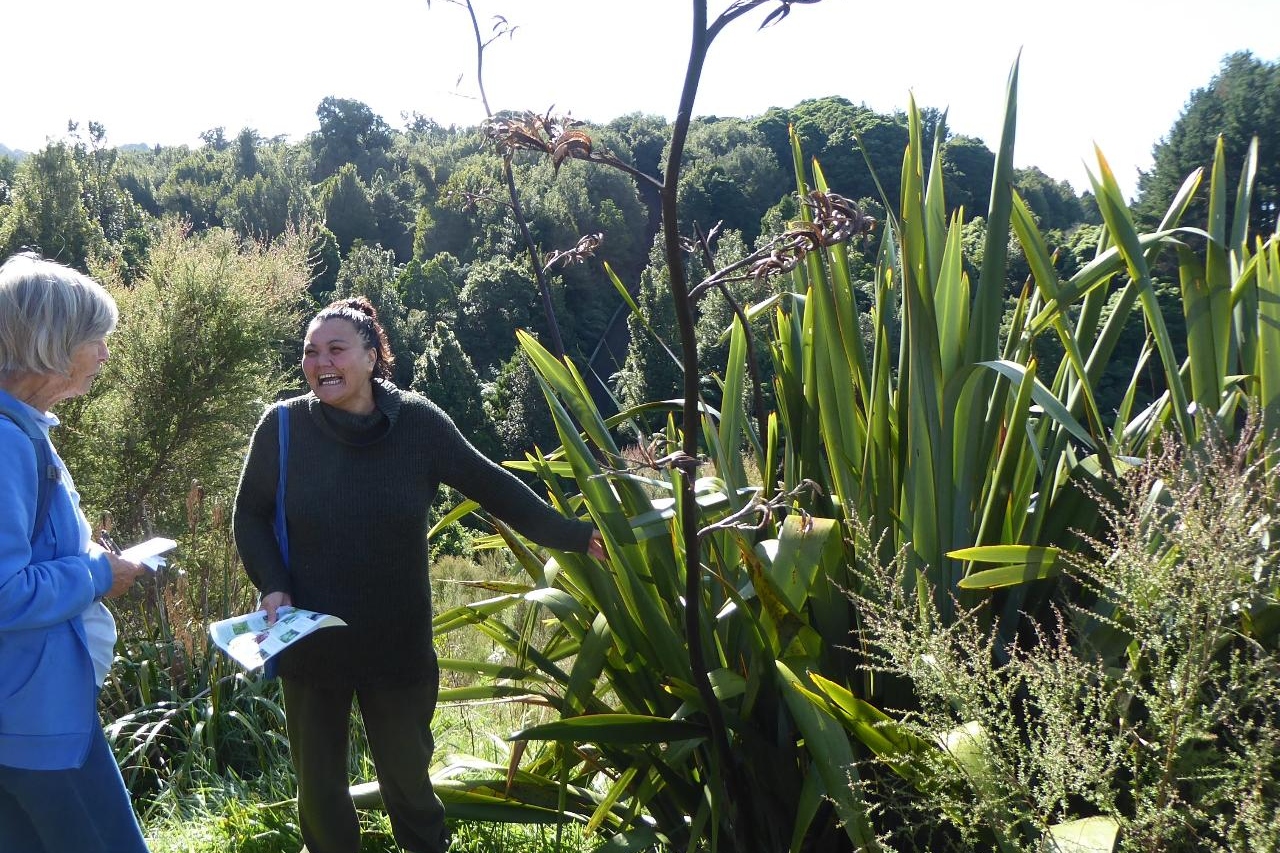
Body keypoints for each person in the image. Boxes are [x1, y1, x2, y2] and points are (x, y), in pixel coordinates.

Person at [233, 296, 605, 853]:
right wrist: (273, 583)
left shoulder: (419, 425)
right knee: (321, 793)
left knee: (409, 787)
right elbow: (250, 514)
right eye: (310, 351)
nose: (320, 362)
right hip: (308, 643)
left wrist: (578, 535)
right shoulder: (282, 427)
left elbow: (494, 487)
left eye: (336, 348)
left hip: (397, 646)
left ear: (372, 355)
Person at [0, 252, 150, 852]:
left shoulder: (22, 431)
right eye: (98, 340)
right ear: (54, 344)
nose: (105, 355)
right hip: (38, 723)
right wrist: (95, 573)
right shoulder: (9, 443)